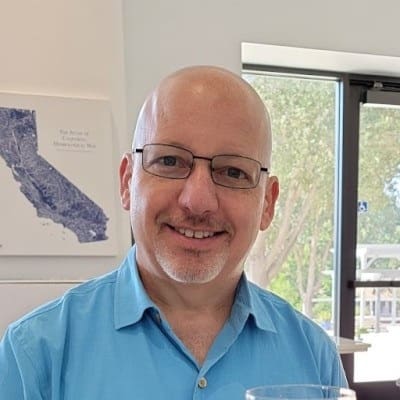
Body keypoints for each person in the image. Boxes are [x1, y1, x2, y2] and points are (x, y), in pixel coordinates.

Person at [0, 66, 347, 399]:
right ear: (127, 181)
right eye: (169, 161)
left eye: (232, 171)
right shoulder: (34, 356)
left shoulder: (315, 358)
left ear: (267, 204)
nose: (198, 201)